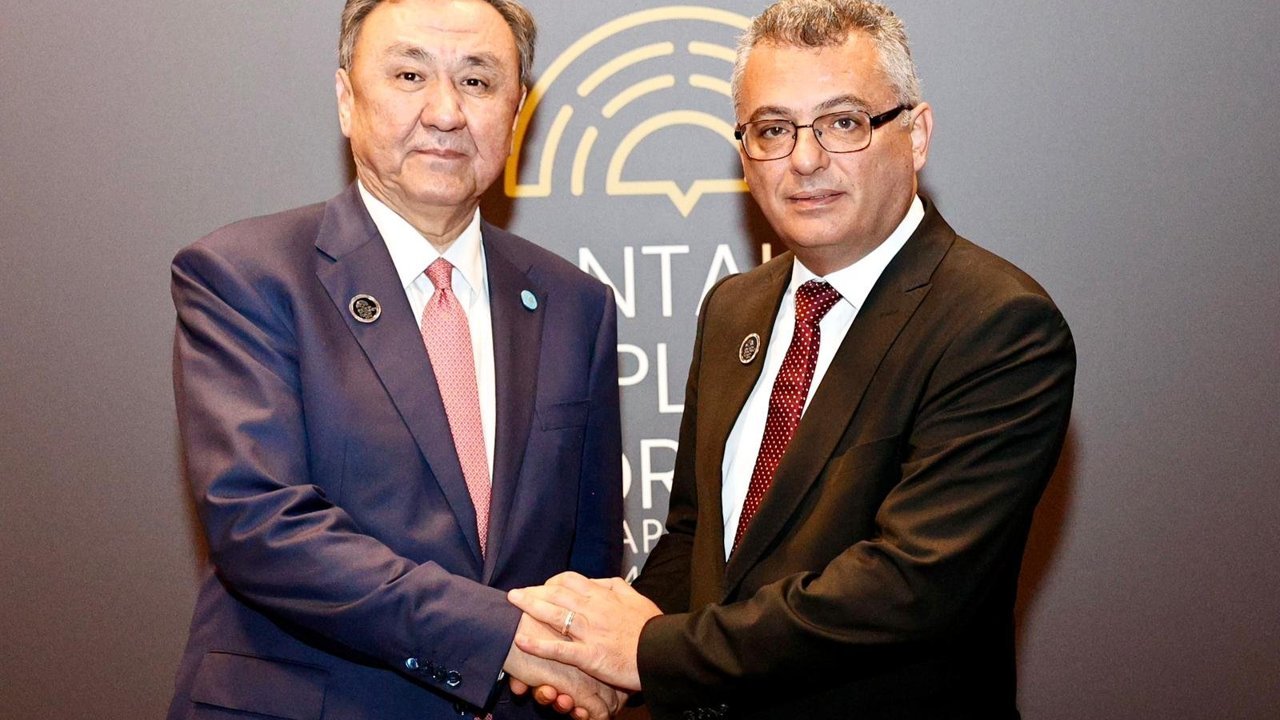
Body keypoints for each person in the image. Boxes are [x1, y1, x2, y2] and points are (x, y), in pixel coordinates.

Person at [506, 0, 1076, 718]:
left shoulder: (996, 324)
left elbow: (908, 588)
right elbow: (697, 539)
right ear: (745, 152)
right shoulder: (734, 308)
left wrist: (648, 654)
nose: (806, 160)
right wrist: (599, 660)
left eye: (844, 123)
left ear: (917, 135)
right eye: (774, 129)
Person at [166, 1, 624, 719]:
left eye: (477, 81)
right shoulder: (246, 275)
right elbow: (260, 522)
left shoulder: (576, 305)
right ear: (347, 98)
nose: (445, 112)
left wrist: (583, 663)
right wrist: (496, 637)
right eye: (410, 75)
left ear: (517, 113)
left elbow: (587, 562)